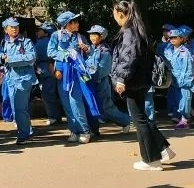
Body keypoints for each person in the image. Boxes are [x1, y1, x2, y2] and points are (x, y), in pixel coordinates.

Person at [109, 0, 174, 171]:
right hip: (140, 80)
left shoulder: (129, 31)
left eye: (114, 12)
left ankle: (151, 160)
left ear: (120, 13)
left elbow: (128, 57)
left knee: (139, 120)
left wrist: (121, 79)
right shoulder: (136, 28)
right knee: (142, 117)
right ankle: (163, 149)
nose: (113, 16)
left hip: (132, 80)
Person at [47, 11, 93, 143]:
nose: (77, 24)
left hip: (77, 73)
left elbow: (90, 53)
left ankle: (85, 130)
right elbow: (50, 52)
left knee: (76, 101)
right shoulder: (56, 35)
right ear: (68, 24)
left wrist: (87, 49)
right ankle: (74, 130)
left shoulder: (80, 37)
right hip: (62, 73)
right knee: (66, 102)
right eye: (74, 22)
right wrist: (65, 56)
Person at [0, 17, 37, 144]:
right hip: (10, 79)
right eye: (12, 27)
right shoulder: (4, 42)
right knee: (16, 108)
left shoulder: (26, 41)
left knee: (19, 107)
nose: (14, 29)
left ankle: (23, 134)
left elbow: (31, 57)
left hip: (24, 79)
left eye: (16, 27)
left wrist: (10, 59)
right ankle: (27, 131)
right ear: (6, 29)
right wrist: (2, 58)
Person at [84, 24, 132, 132]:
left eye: (94, 35)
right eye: (91, 35)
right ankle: (93, 130)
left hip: (101, 83)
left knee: (106, 107)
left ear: (101, 36)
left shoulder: (104, 52)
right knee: (92, 106)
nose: (92, 37)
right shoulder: (91, 49)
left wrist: (88, 75)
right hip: (90, 82)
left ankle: (125, 121)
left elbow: (101, 71)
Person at [164, 28, 194, 129]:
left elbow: (189, 68)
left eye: (175, 37)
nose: (172, 39)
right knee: (178, 101)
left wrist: (186, 81)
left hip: (184, 81)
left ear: (181, 39)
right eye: (170, 37)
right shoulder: (169, 50)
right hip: (174, 81)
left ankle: (185, 120)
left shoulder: (186, 51)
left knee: (184, 101)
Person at [34, 22, 64, 125]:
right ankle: (57, 116)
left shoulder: (43, 42)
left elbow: (34, 57)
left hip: (46, 71)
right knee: (54, 94)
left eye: (40, 30)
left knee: (48, 94)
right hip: (49, 70)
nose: (38, 32)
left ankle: (53, 116)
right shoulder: (53, 41)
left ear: (46, 33)